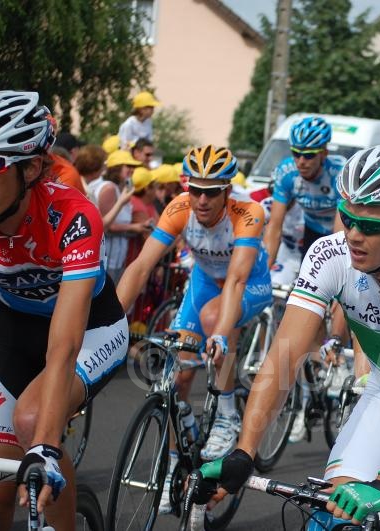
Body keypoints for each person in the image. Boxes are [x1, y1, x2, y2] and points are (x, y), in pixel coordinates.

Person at [195, 146, 380, 528]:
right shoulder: (329, 255)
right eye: (347, 218)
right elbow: (282, 360)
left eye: (371, 226)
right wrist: (244, 451)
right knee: (330, 517)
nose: (353, 235)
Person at [0, 90, 128, 530]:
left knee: (32, 422)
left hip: (90, 330)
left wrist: (45, 443)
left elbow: (65, 343)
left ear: (29, 168)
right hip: (16, 331)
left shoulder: (73, 216)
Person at [117, 144, 272, 512]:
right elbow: (140, 268)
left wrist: (219, 332)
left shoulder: (248, 214)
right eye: (195, 189)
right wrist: (111, 319)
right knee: (178, 374)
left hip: (248, 284)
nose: (202, 200)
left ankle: (228, 412)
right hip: (203, 283)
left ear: (227, 192)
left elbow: (235, 280)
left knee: (214, 318)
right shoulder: (179, 209)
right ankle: (173, 461)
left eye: (211, 192)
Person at [263, 116, 343, 274]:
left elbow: (339, 236)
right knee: (307, 279)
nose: (300, 161)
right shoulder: (286, 172)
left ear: (324, 153)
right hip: (313, 229)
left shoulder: (339, 175)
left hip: (341, 231)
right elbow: (274, 227)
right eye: (296, 153)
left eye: (309, 155)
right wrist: (262, 273)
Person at [87, 149, 150, 282]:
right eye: (129, 166)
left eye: (134, 167)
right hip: (106, 258)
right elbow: (106, 225)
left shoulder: (114, 187)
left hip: (114, 258)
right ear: (117, 168)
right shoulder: (109, 188)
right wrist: (135, 227)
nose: (132, 170)